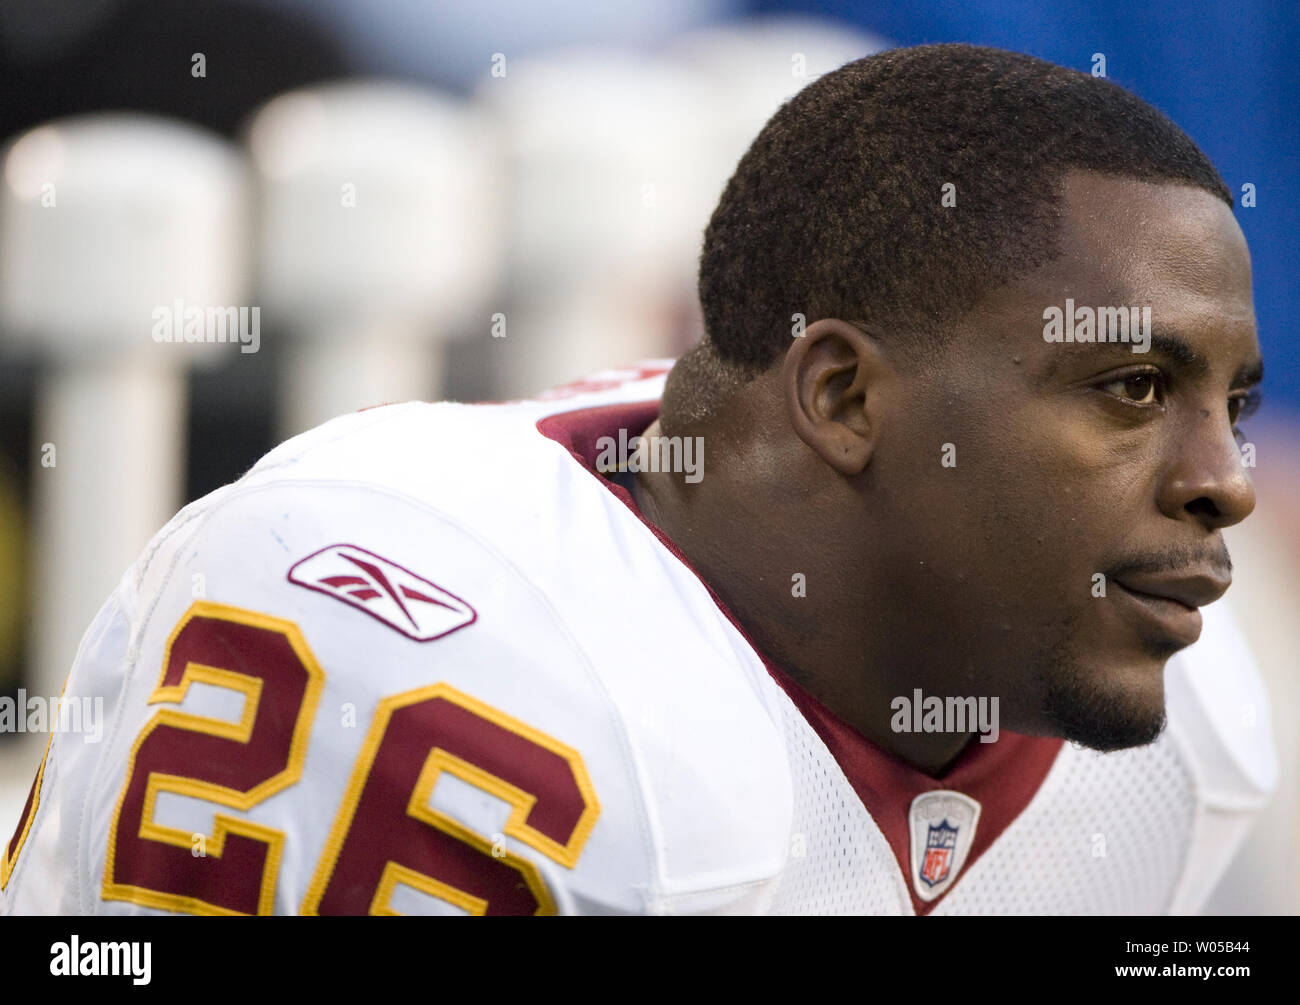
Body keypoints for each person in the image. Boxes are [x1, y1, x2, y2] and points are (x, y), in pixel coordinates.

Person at [1, 43, 1274, 915]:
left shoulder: (1186, 730)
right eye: (1133, 390)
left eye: (1237, 405)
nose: (1225, 483)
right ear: (841, 398)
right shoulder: (427, 648)